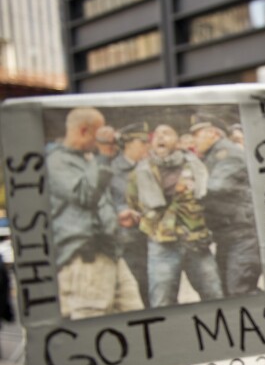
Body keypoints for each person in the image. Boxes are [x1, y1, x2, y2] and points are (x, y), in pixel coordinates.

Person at [48, 107, 143, 319]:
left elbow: (91, 206)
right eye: (98, 134)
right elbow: (85, 195)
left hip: (110, 251)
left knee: (135, 314)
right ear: (83, 131)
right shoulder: (56, 162)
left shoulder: (87, 160)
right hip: (86, 258)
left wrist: (114, 217)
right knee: (93, 321)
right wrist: (103, 156)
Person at [127, 124, 223, 307]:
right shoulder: (140, 172)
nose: (161, 137)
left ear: (178, 143)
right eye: (157, 135)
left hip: (196, 241)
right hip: (162, 245)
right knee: (162, 301)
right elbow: (133, 202)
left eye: (167, 133)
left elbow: (209, 200)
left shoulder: (196, 166)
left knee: (214, 294)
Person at [190, 114, 262, 296]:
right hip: (227, 235)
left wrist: (187, 186)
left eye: (197, 134)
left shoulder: (228, 153)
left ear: (213, 133)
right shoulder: (211, 156)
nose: (194, 140)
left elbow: (215, 187)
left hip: (244, 236)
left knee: (240, 289)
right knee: (225, 290)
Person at [110, 122, 152, 306]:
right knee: (142, 281)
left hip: (153, 233)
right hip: (130, 236)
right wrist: (122, 212)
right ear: (128, 144)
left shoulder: (148, 167)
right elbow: (107, 203)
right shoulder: (112, 171)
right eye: (141, 142)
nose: (146, 147)